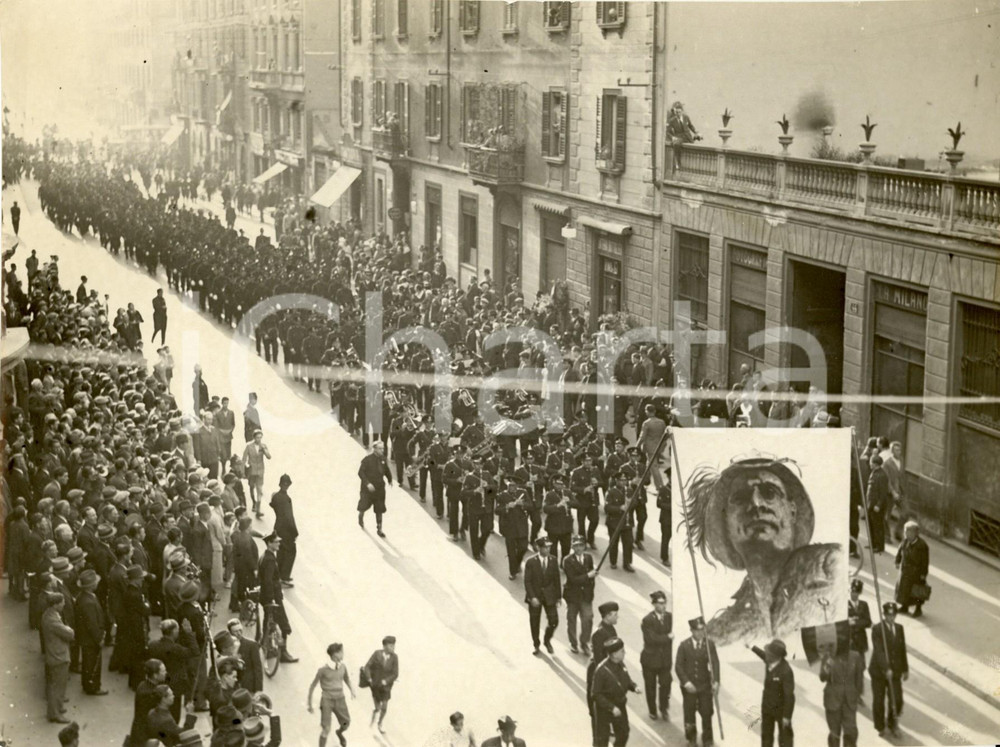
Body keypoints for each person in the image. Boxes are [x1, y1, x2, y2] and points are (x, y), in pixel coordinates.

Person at [681, 455, 846, 644]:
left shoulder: (830, 567)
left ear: (792, 510)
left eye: (769, 493)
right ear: (726, 522)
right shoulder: (721, 631)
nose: (756, 504)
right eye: (741, 498)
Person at [675, 616, 719, 747]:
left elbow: (715, 663)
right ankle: (691, 738)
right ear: (691, 631)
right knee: (689, 713)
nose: (700, 633)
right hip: (689, 687)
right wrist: (686, 682)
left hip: (705, 685)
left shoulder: (709, 644)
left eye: (702, 630)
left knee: (707, 712)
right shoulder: (684, 645)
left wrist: (716, 680)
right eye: (697, 630)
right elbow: (678, 666)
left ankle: (707, 739)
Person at [592, 637, 640, 747]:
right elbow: (595, 694)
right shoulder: (601, 670)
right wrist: (611, 707)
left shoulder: (621, 664)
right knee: (602, 740)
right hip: (604, 709)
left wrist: (634, 687)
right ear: (614, 654)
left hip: (619, 704)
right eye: (622, 651)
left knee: (624, 733)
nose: (625, 653)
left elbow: (627, 680)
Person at [869, 602, 908, 738]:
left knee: (897, 700)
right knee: (879, 701)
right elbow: (879, 651)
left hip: (895, 671)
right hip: (879, 671)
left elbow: (902, 649)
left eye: (893, 615)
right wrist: (886, 668)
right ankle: (880, 726)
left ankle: (892, 723)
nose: (891, 618)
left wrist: (905, 669)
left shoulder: (900, 628)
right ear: (884, 615)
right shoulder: (877, 629)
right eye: (888, 615)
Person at [258, 533, 298, 663]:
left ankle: (267, 646)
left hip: (266, 596)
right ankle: (283, 653)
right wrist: (272, 600)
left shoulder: (265, 556)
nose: (279, 544)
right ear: (269, 543)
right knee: (284, 625)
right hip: (273, 597)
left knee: (268, 621)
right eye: (276, 542)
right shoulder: (270, 560)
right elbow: (268, 581)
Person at [309, 642, 356, 747]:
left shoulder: (343, 667)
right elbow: (312, 686)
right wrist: (310, 703)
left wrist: (352, 689)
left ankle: (339, 733)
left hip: (340, 699)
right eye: (341, 652)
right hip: (327, 700)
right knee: (326, 729)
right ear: (335, 655)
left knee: (346, 723)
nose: (343, 654)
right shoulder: (323, 670)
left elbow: (347, 678)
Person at [749, 639, 794, 747]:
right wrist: (752, 647)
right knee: (766, 738)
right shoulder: (770, 660)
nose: (767, 655)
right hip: (767, 708)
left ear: (776, 656)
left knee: (785, 741)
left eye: (769, 653)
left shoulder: (786, 671)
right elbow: (762, 654)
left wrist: (787, 716)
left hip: (781, 710)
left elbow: (789, 696)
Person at [820, 642, 865, 747]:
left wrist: (856, 695)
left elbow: (859, 679)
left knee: (851, 732)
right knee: (834, 733)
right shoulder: (828, 656)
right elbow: (822, 677)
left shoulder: (856, 656)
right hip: (832, 701)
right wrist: (827, 667)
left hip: (849, 702)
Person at [522, 537, 561, 656]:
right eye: (545, 547)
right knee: (535, 622)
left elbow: (556, 579)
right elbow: (527, 581)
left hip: (549, 596)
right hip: (535, 596)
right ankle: (536, 644)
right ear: (538, 548)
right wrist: (532, 597)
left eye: (549, 547)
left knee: (554, 621)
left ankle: (547, 640)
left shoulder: (553, 560)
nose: (548, 549)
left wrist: (558, 597)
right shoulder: (531, 562)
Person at [42, 592, 75, 723]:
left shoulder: (49, 615)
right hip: (58, 655)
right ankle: (54, 714)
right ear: (55, 604)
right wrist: (70, 630)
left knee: (55, 684)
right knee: (58, 686)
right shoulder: (52, 619)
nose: (64, 603)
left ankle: (57, 707)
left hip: (54, 653)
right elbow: (69, 633)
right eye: (62, 602)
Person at [640, 590, 673, 721]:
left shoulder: (670, 617)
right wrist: (668, 637)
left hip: (665, 660)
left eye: (665, 602)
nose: (663, 605)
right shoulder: (647, 620)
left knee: (666, 684)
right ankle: (652, 710)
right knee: (650, 686)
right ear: (654, 604)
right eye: (660, 603)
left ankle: (664, 708)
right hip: (650, 659)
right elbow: (651, 639)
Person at [75, 569, 108, 695]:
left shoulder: (83, 597)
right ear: (91, 586)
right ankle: (93, 686)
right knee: (92, 663)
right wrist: (99, 638)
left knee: (88, 661)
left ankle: (88, 684)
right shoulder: (88, 602)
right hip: (90, 639)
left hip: (86, 638)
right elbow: (92, 625)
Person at [562, 535, 596, 655]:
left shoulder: (588, 558)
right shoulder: (567, 560)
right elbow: (573, 579)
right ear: (572, 547)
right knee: (571, 619)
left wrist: (590, 586)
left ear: (584, 546)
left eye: (581, 545)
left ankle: (584, 642)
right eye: (576, 546)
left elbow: (592, 577)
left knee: (588, 619)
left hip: (586, 596)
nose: (579, 548)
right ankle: (573, 643)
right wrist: (588, 576)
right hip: (572, 595)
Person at [363, 635, 399, 734]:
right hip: (375, 685)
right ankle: (373, 718)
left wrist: (386, 681)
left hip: (386, 687)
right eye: (391, 646)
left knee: (384, 708)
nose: (393, 648)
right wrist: (369, 678)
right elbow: (367, 666)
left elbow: (395, 674)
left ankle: (380, 723)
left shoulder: (395, 658)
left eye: (394, 646)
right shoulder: (377, 654)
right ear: (385, 646)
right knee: (378, 707)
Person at [357, 441, 393, 537]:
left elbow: (386, 470)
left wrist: (390, 479)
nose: (382, 450)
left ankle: (379, 528)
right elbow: (361, 473)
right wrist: (368, 484)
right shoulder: (367, 460)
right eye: (380, 449)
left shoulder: (383, 459)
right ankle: (361, 516)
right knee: (364, 506)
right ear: (375, 449)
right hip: (368, 489)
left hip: (379, 488)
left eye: (383, 448)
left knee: (379, 508)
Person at [894, 520, 929, 617]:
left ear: (915, 533)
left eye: (907, 531)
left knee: (916, 592)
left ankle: (918, 609)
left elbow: (925, 562)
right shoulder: (905, 541)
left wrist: (923, 574)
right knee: (904, 590)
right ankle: (904, 606)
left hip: (916, 573)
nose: (905, 533)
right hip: (905, 571)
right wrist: (897, 560)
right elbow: (900, 551)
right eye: (905, 531)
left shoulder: (922, 545)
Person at [130, 658, 167, 746]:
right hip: (145, 737)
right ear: (155, 675)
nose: (165, 673)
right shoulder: (151, 693)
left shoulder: (143, 685)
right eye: (163, 671)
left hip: (139, 733)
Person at [270, 474, 298, 585]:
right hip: (287, 530)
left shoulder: (275, 496)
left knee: (280, 552)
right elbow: (289, 517)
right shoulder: (287, 499)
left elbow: (273, 505)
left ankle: (278, 575)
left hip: (278, 527)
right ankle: (285, 576)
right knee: (291, 551)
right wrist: (295, 531)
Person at [227, 618, 264, 694]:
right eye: (235, 631)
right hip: (231, 686)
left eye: (240, 630)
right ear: (230, 632)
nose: (239, 633)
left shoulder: (251, 645)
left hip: (248, 686)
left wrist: (258, 690)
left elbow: (258, 668)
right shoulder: (226, 647)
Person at [242, 430, 272, 518]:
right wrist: (243, 471)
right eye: (257, 437)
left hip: (260, 471)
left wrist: (265, 450)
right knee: (251, 487)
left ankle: (258, 510)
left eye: (260, 437)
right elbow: (244, 459)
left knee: (259, 489)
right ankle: (254, 502)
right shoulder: (248, 446)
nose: (259, 439)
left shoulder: (263, 446)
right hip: (251, 470)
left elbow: (269, 457)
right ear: (254, 437)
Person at [866, 455, 890, 554]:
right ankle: (872, 544)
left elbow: (883, 493)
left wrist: (878, 505)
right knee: (871, 525)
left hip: (876, 506)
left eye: (871, 462)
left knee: (878, 526)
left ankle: (879, 546)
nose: (870, 464)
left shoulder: (882, 475)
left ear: (875, 464)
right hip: (871, 504)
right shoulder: (875, 472)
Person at [846, 579, 871, 663]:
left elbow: (868, 622)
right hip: (849, 639)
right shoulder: (844, 604)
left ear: (860, 593)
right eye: (852, 591)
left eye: (856, 592)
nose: (854, 594)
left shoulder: (864, 605)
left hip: (861, 640)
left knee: (861, 665)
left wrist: (854, 622)